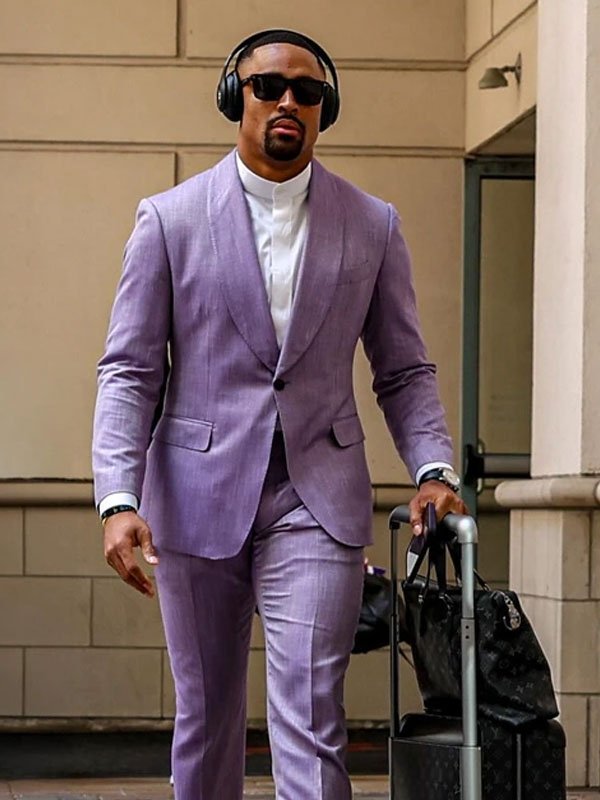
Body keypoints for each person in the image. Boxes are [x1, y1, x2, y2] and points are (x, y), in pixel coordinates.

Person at [92, 28, 466, 800]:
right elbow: (130, 371)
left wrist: (434, 467)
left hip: (317, 498)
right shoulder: (168, 220)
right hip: (193, 497)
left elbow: (403, 368)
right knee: (206, 715)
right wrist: (117, 498)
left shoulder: (372, 224)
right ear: (237, 98)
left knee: (311, 714)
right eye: (268, 87)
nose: (288, 101)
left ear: (325, 108)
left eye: (307, 91)